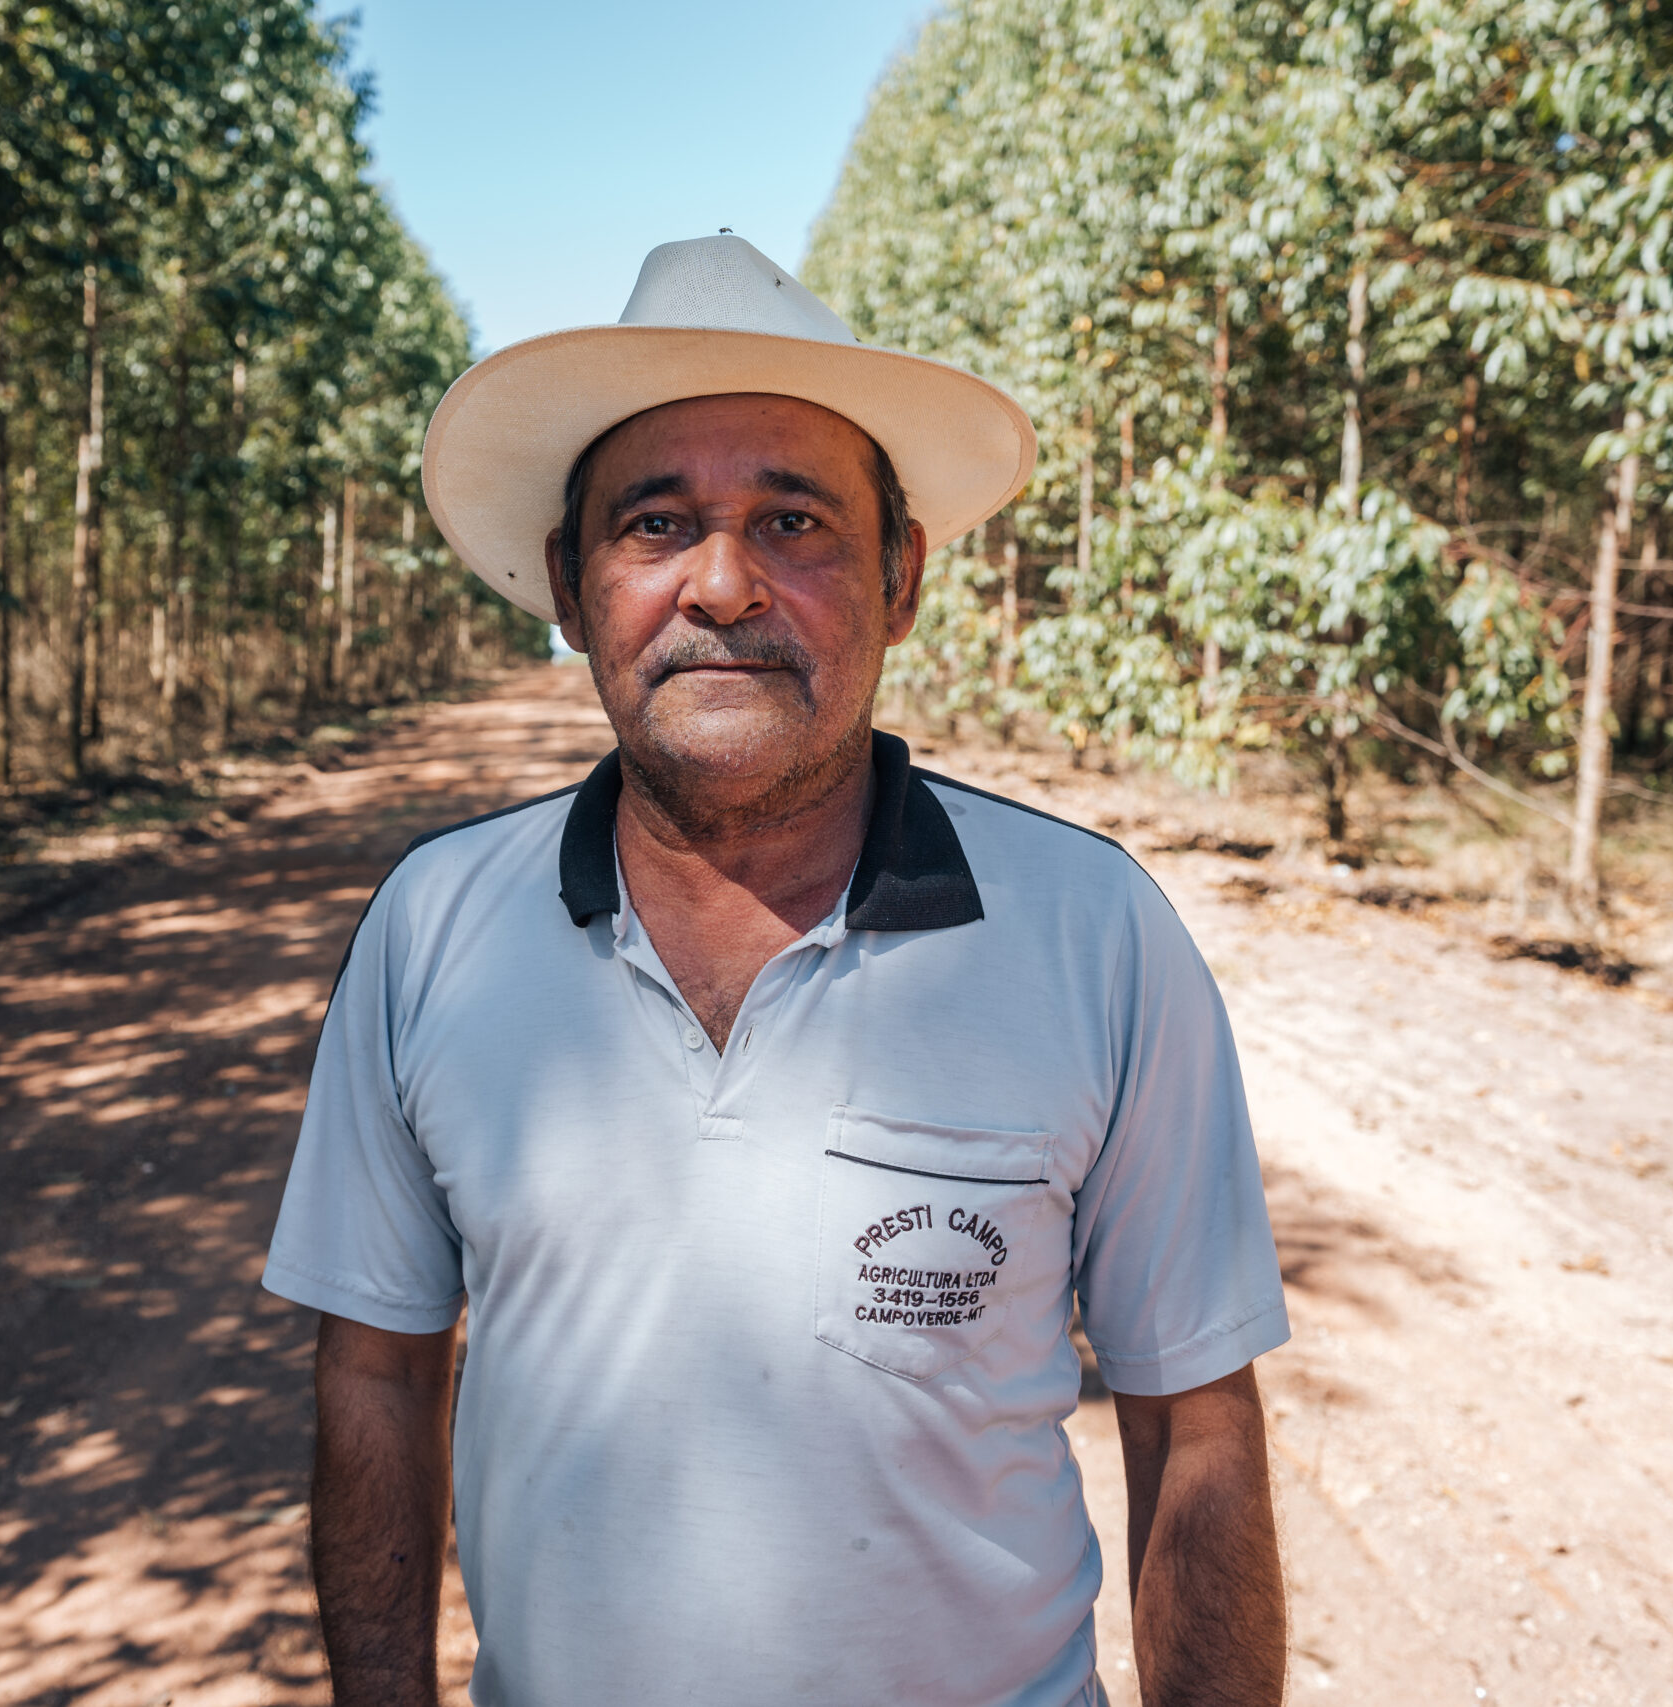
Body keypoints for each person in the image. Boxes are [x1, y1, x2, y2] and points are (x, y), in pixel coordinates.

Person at [263, 234, 1289, 1707]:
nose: (725, 585)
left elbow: (1195, 1421)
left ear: (901, 577)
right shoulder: (434, 930)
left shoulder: (1094, 937)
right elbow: (373, 1370)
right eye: (656, 522)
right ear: (571, 585)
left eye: (796, 522)